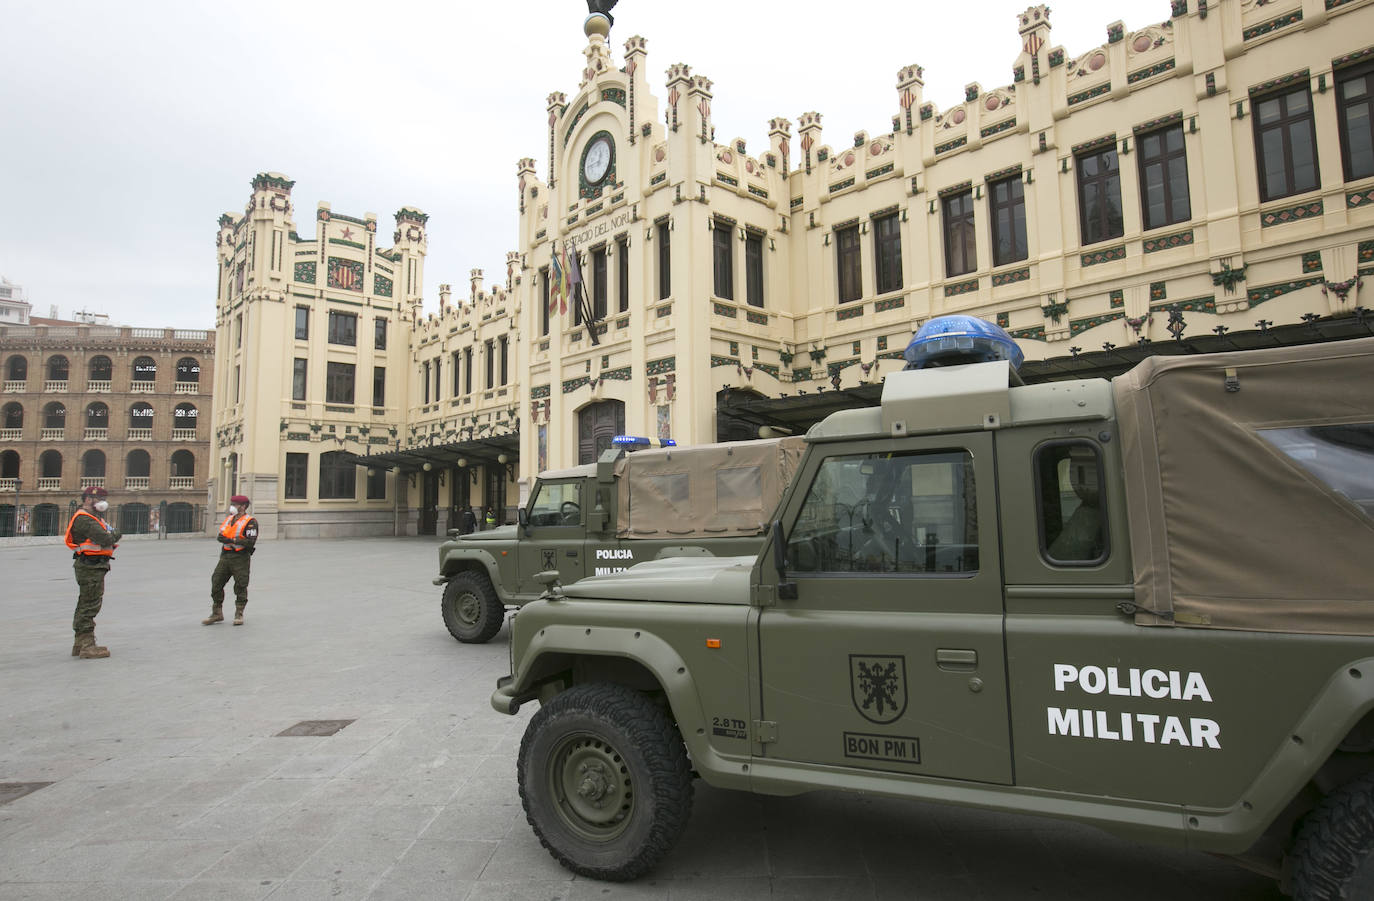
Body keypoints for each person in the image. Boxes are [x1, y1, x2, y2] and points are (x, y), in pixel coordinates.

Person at [64, 486, 121, 659]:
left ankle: (79, 643)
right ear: (88, 499)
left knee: (85, 603)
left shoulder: (95, 519)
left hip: (94, 566)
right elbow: (107, 537)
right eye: (100, 499)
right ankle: (87, 645)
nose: (103, 503)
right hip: (90, 567)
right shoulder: (84, 519)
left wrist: (112, 533)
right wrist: (115, 534)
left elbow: (110, 533)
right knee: (89, 605)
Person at [204, 494, 259, 626]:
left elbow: (250, 542)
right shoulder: (229, 519)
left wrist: (233, 540)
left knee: (240, 585)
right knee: (216, 582)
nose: (232, 506)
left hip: (240, 557)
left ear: (243, 506)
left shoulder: (251, 522)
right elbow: (221, 535)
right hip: (225, 556)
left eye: (235, 504)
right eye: (232, 504)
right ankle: (217, 613)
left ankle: (239, 613)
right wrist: (224, 539)